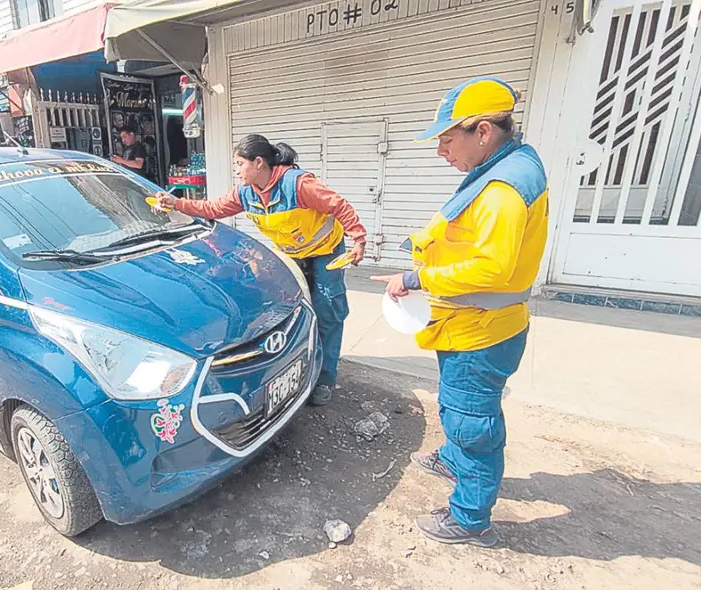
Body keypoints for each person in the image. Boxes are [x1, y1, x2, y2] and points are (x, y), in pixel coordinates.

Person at [370, 77, 549, 547]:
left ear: (483, 132)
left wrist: (416, 279)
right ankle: (454, 459)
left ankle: (470, 518)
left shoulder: (505, 188)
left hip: (482, 331)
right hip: (469, 322)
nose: (441, 151)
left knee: (472, 422)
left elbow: (491, 267)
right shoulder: (507, 163)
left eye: (448, 140)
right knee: (460, 408)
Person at [154, 134, 367, 406]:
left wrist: (359, 239)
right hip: (292, 254)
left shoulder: (298, 184)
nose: (237, 170)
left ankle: (325, 379)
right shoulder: (245, 193)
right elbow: (212, 208)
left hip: (326, 251)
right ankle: (301, 364)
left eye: (240, 164)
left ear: (258, 163)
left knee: (328, 311)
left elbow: (338, 205)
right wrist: (176, 203)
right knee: (293, 310)